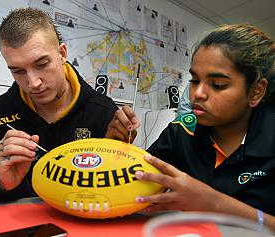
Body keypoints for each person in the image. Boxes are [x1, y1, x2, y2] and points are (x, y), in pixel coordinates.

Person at [107, 24, 275, 230]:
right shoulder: (181, 132)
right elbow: (134, 188)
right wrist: (114, 150)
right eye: (195, 80)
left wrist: (215, 204)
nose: (197, 93)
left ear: (255, 92)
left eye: (218, 85)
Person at [0, 8, 119, 203]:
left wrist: (120, 158)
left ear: (62, 53)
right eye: (18, 71)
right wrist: (0, 185)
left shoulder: (104, 113)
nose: (33, 83)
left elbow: (118, 197)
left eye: (41, 64)